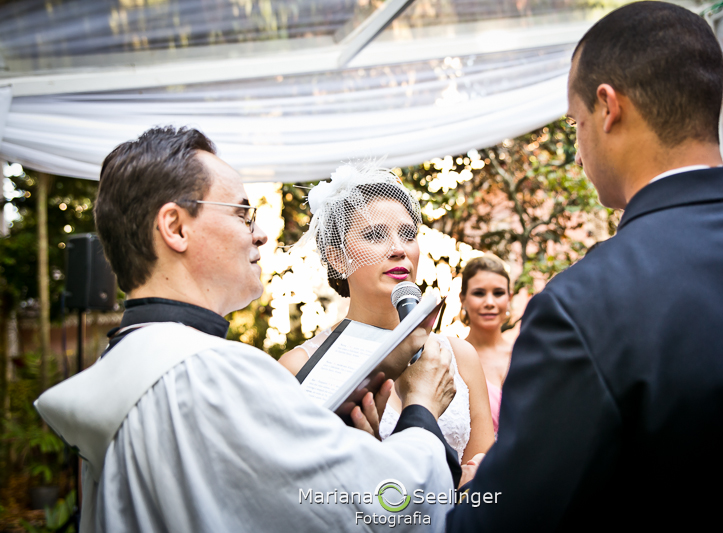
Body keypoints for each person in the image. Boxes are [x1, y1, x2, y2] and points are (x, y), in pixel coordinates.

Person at [447, 2, 723, 531]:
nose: (578, 151)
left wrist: (476, 496)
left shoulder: (581, 306)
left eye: (575, 123)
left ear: (608, 108)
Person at [34, 126, 463, 533]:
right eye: (243, 214)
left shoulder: (129, 360)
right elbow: (385, 503)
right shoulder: (213, 374)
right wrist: (421, 406)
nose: (260, 235)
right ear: (175, 227)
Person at [278, 162, 495, 474]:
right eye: (375, 235)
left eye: (408, 234)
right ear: (338, 257)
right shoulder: (300, 367)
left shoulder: (459, 357)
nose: (398, 250)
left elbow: (486, 480)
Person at [458, 255, 513, 436]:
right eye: (479, 293)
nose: (489, 302)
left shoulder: (525, 354)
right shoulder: (451, 358)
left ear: (509, 298)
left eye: (498, 293)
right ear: (463, 299)